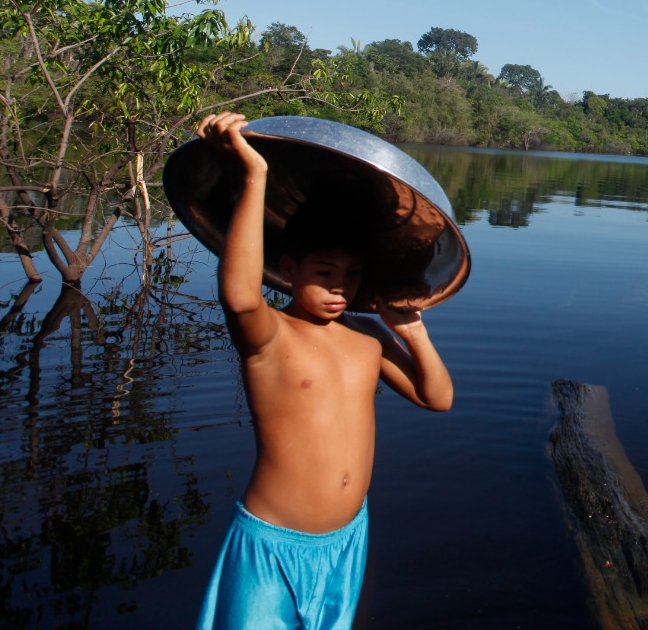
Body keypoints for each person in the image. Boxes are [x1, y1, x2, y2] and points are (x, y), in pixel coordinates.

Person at [194, 111, 454, 630]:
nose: (340, 287)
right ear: (289, 269)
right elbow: (240, 296)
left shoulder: (368, 338)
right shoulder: (270, 336)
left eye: (352, 274)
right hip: (272, 545)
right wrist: (255, 176)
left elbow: (437, 398)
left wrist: (412, 331)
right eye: (324, 272)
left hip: (346, 541)